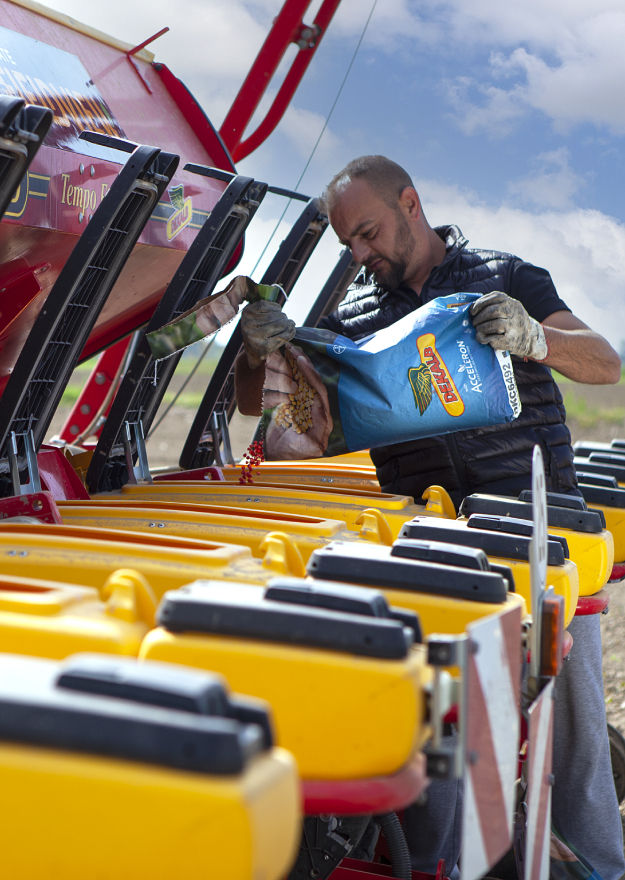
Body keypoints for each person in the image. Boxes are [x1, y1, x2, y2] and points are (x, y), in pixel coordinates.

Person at [235, 155, 624, 879]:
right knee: (447, 736)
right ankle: (443, 866)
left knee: (570, 738)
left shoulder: (506, 278)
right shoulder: (351, 316)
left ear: (409, 203)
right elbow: (294, 433)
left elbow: (604, 364)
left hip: (543, 535)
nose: (359, 253)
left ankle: (601, 864)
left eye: (367, 233)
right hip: (434, 558)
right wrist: (258, 359)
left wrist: (536, 340)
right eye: (347, 243)